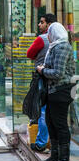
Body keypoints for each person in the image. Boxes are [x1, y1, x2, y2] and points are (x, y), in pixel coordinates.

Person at [37, 22, 76, 161]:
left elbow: (58, 73)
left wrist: (42, 71)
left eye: (49, 32)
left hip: (61, 91)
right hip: (52, 91)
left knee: (60, 124)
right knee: (50, 122)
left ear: (55, 33)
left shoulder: (62, 47)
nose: (48, 35)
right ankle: (55, 155)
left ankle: (64, 159)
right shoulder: (54, 47)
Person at [27, 13, 57, 152]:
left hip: (43, 77)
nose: (39, 25)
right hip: (57, 79)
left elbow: (29, 54)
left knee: (42, 110)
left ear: (49, 25)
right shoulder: (62, 40)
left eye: (42, 22)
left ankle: (41, 142)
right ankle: (53, 143)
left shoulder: (41, 39)